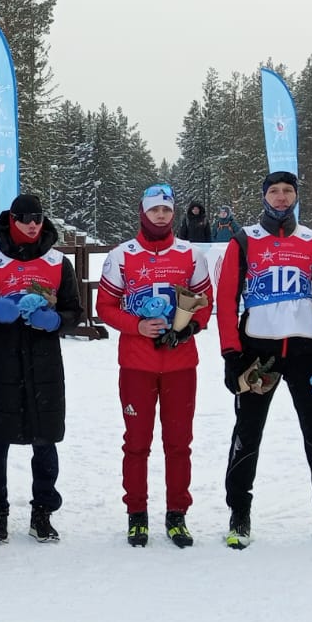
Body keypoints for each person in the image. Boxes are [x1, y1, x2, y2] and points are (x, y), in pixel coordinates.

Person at [215, 171, 312, 550]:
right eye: (274, 192)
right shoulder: (244, 240)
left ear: (296, 196)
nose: (281, 198)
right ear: (264, 197)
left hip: (305, 353)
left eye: (287, 191)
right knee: (248, 433)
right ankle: (239, 513)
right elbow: (226, 301)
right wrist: (231, 354)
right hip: (257, 352)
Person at [97, 184, 214, 548]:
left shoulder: (190, 254)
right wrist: (138, 326)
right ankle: (137, 515)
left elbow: (205, 303)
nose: (161, 216)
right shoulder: (121, 255)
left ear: (173, 213)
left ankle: (177, 515)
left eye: (166, 210)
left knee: (179, 444)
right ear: (142, 213)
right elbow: (105, 307)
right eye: (154, 210)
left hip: (180, 364)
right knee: (136, 443)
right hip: (137, 363)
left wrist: (189, 328)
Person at [0, 193, 81, 545]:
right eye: (25, 218)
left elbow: (76, 312)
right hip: (0, 361)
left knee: (45, 439)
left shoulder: (59, 262)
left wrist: (55, 320)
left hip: (42, 363)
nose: (32, 224)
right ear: (11, 220)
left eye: (38, 218)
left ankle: (42, 511)